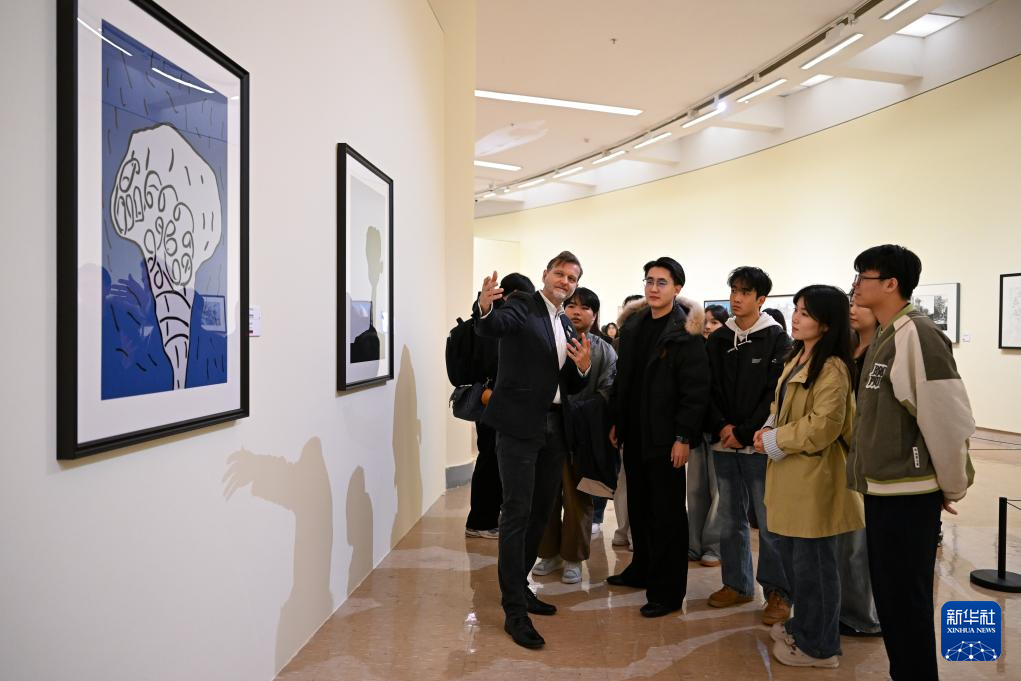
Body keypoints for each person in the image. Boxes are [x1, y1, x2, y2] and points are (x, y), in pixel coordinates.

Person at [849, 244, 975, 680]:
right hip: (886, 489)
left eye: (864, 276)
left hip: (907, 493)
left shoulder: (916, 333)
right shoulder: (888, 333)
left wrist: (951, 483)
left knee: (906, 602)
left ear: (891, 284)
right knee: (893, 601)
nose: (855, 286)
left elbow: (947, 416)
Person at [474, 251, 593, 650]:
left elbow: (570, 385)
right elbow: (495, 326)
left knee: (541, 513)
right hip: (519, 428)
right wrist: (485, 307)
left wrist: (582, 367)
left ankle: (521, 588)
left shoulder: (564, 322)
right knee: (517, 513)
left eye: (571, 278)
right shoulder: (524, 304)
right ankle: (514, 610)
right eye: (559, 274)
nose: (564, 282)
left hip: (554, 428)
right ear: (545, 274)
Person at [753, 285, 864, 669]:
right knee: (799, 565)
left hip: (815, 481)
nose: (796, 318)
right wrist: (768, 428)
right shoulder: (799, 356)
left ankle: (820, 648)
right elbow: (781, 403)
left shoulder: (833, 367)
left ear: (827, 322)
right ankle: (804, 627)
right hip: (792, 476)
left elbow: (823, 426)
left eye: (805, 312)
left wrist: (774, 440)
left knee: (815, 568)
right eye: (796, 309)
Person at [606, 257, 710, 618]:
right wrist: (618, 420)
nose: (653, 288)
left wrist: (684, 436)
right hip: (635, 433)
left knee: (667, 515)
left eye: (662, 282)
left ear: (677, 288)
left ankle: (667, 592)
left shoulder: (685, 332)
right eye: (649, 281)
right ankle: (641, 569)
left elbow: (695, 391)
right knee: (639, 507)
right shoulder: (635, 325)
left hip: (667, 438)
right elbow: (623, 380)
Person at [705, 266, 792, 625]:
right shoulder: (718, 339)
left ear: (761, 299)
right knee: (730, 518)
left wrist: (743, 431)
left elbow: (775, 393)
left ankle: (777, 593)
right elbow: (707, 387)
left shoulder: (776, 339)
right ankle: (736, 584)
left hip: (757, 444)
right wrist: (721, 426)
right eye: (733, 291)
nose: (736, 298)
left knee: (768, 522)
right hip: (723, 443)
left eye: (744, 292)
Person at [534, 288, 617, 584]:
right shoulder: (550, 340)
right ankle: (548, 553)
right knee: (545, 495)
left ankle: (573, 557)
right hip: (548, 429)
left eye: (584, 307)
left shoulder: (604, 350)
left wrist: (579, 411)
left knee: (578, 498)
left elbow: (608, 390)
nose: (576, 311)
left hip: (582, 435)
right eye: (571, 305)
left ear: (594, 315)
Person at [465, 273, 535, 540]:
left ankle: (486, 517)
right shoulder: (494, 324)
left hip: (496, 401)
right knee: (490, 460)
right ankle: (481, 521)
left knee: (492, 459)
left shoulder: (498, 321)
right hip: (492, 401)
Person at [836, 295, 882, 637]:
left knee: (860, 541)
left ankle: (863, 615)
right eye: (850, 303)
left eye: (860, 304)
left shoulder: (882, 351)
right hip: (840, 454)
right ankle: (845, 607)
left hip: (868, 455)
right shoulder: (845, 349)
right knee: (844, 537)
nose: (852, 309)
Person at [608, 293, 646, 548]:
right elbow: (617, 385)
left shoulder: (656, 340)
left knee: (634, 479)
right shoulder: (620, 343)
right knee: (625, 478)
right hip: (627, 420)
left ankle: (633, 533)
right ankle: (625, 530)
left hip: (646, 422)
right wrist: (616, 421)